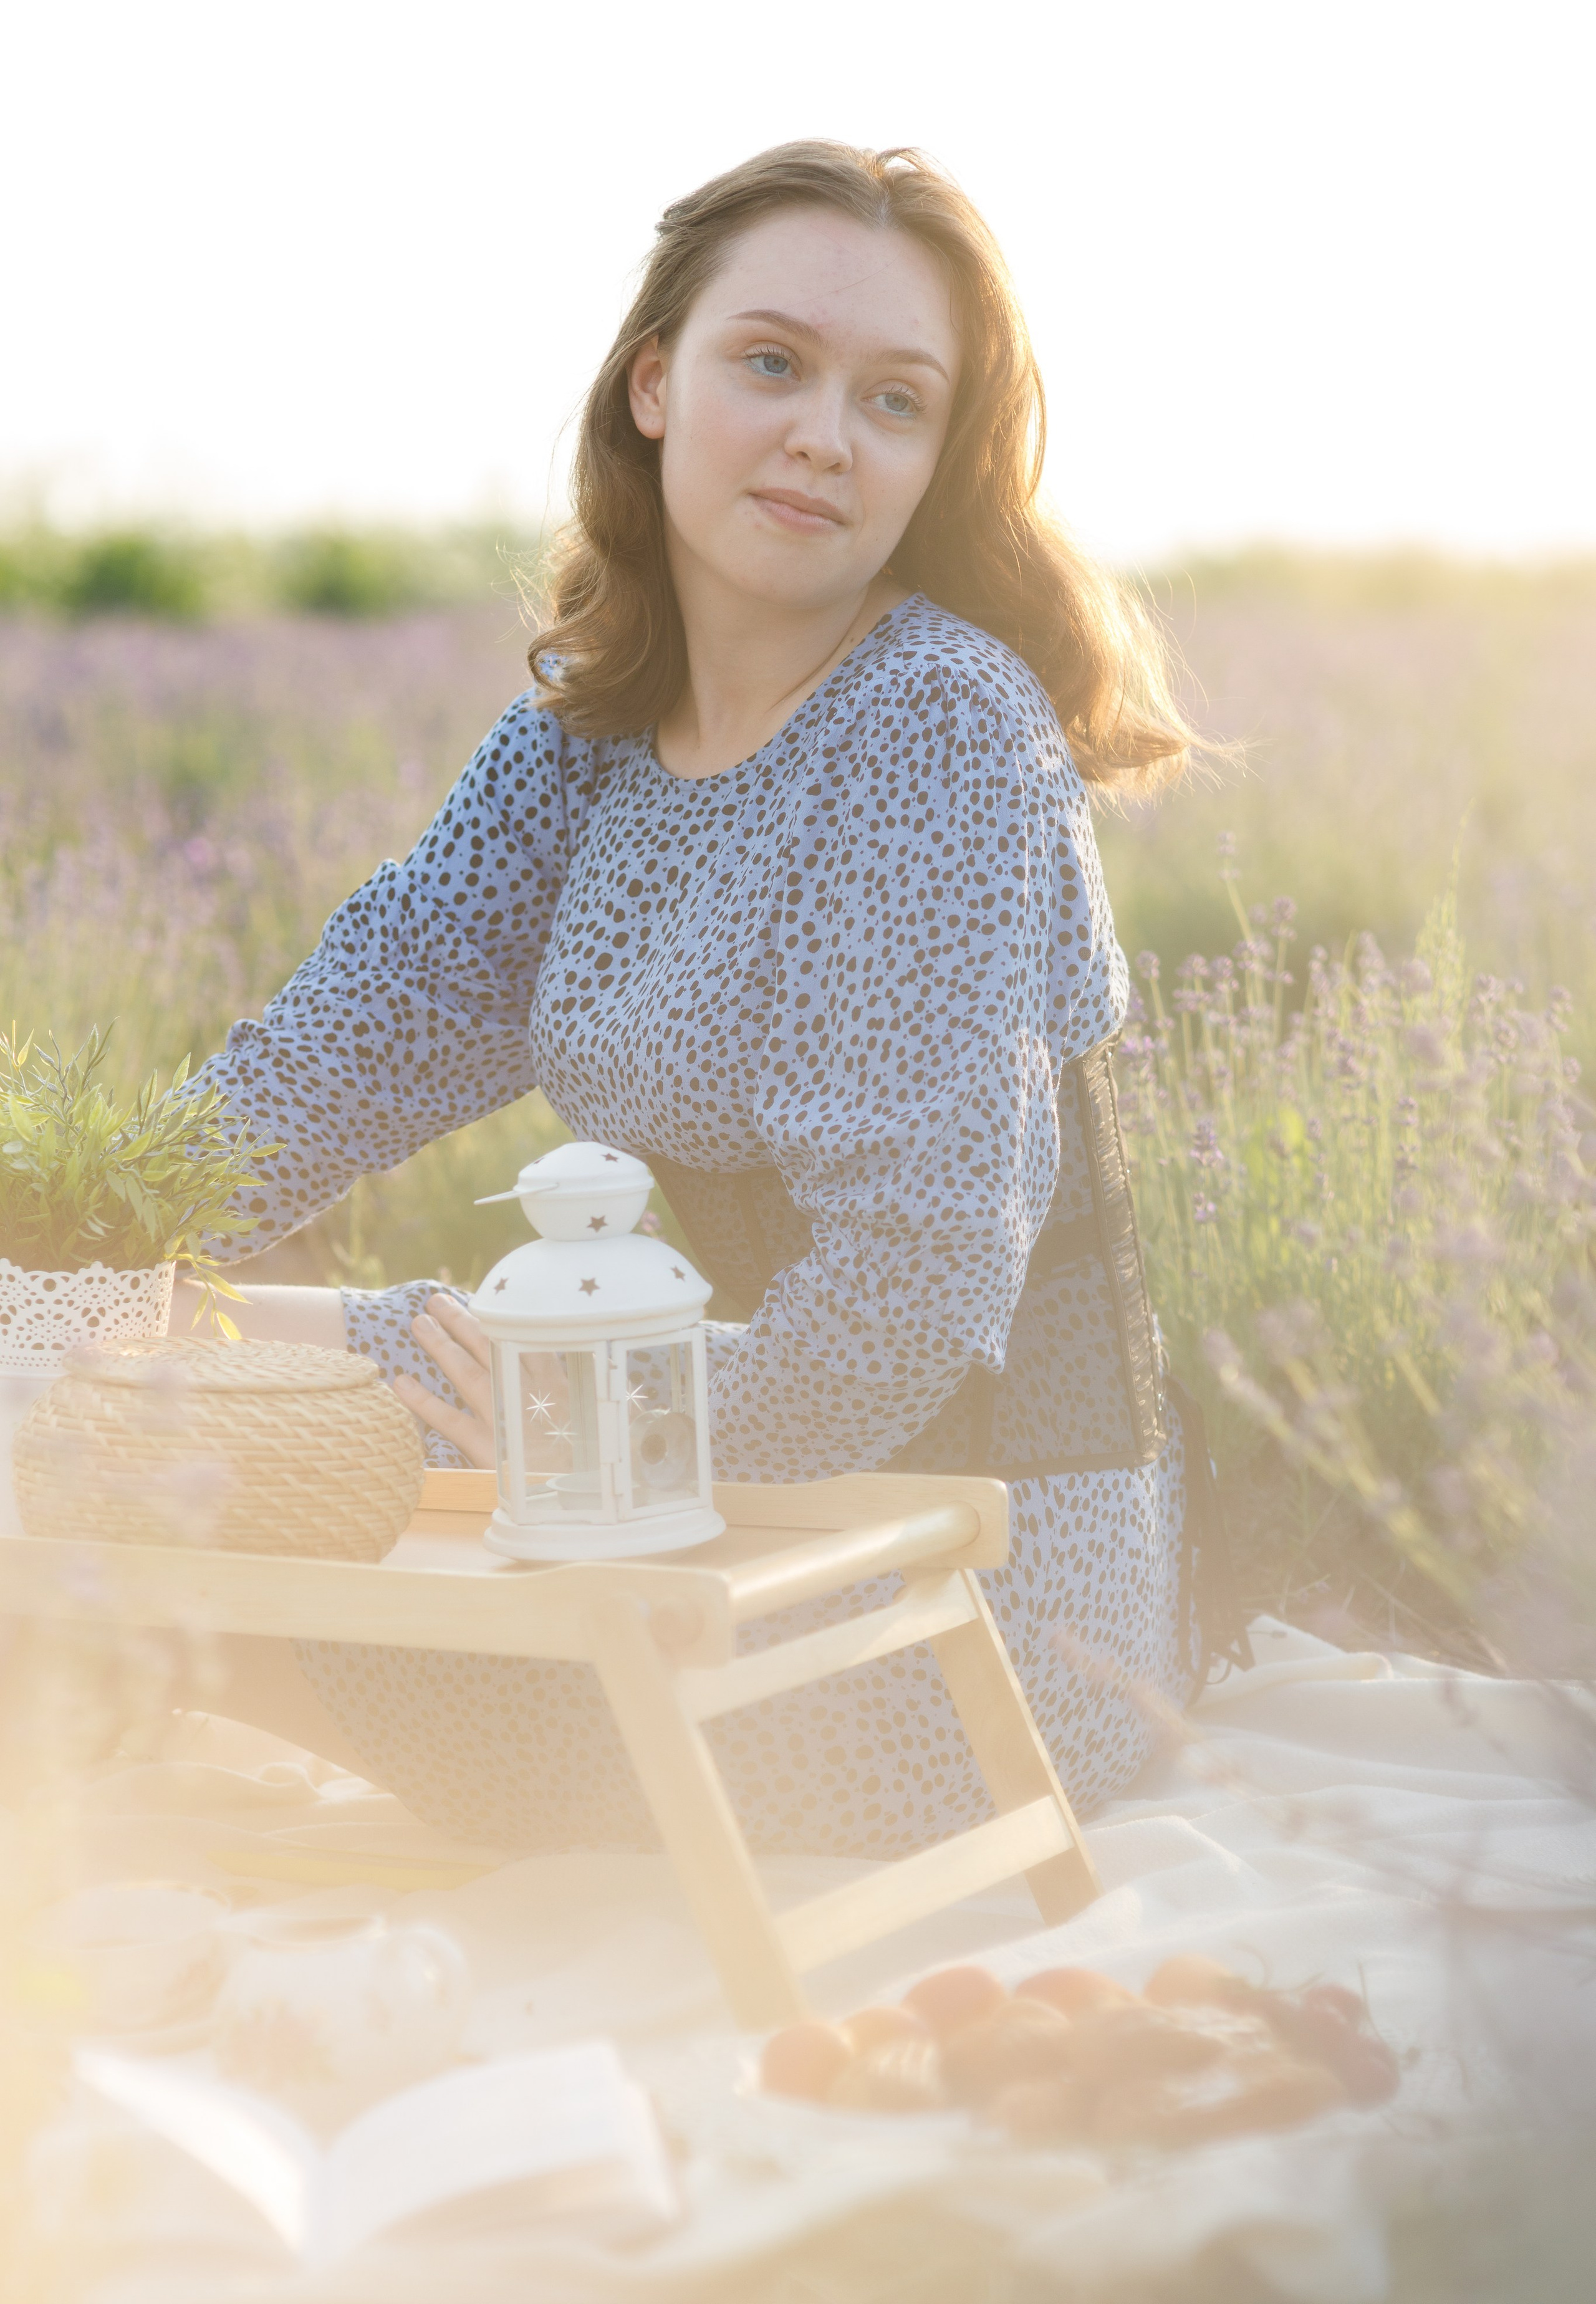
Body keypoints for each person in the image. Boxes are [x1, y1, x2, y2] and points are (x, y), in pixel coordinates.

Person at [175, 139, 1228, 1855]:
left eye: (894, 401)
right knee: (120, 1354)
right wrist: (84, 1228)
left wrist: (568, 1443)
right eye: (774, 363)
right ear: (656, 382)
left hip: (974, 1595)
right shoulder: (581, 750)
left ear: (931, 459)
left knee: (289, 1422)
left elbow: (915, 1295)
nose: (825, 429)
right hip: (702, 1486)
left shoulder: (941, 734)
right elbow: (344, 1046)